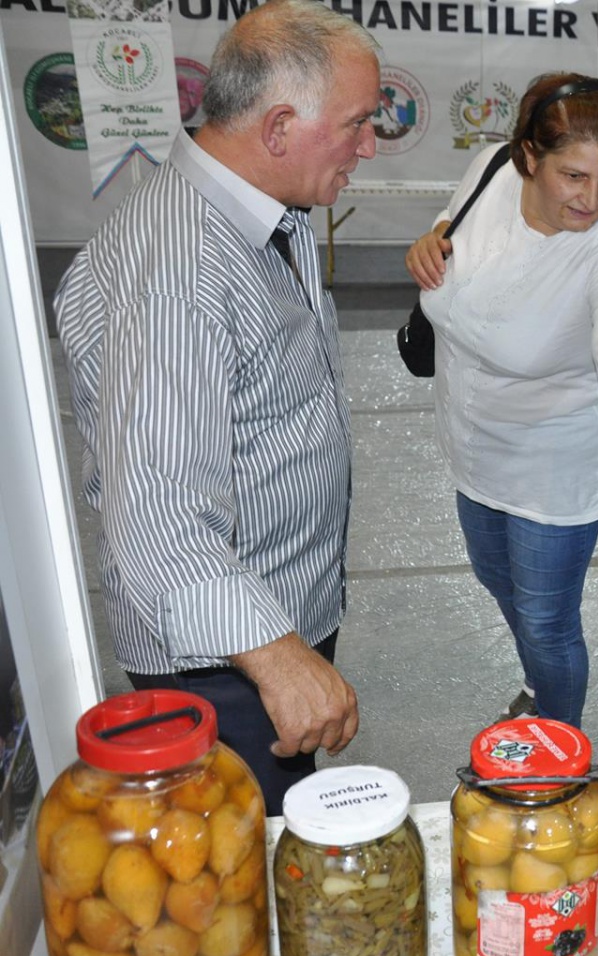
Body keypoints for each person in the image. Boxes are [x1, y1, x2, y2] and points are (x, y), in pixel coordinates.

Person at [53, 0, 379, 816]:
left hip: (265, 618)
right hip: (222, 657)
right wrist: (276, 655)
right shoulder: (181, 275)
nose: (369, 147)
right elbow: (156, 516)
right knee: (239, 870)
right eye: (357, 125)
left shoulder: (262, 211)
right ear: (277, 128)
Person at [405, 74, 598, 730]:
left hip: (556, 458)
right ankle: (537, 679)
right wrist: (432, 236)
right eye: (574, 176)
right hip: (474, 436)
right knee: (497, 580)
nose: (593, 199)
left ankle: (559, 744)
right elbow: (455, 218)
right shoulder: (492, 167)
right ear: (529, 157)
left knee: (549, 622)